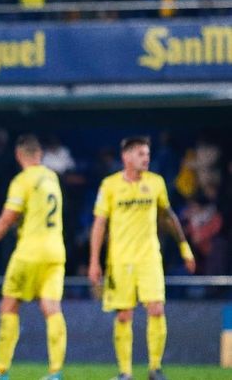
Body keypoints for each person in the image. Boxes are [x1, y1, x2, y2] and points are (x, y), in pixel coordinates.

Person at [88, 136, 196, 380]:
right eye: (140, 154)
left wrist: (184, 247)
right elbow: (99, 224)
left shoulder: (156, 183)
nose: (146, 158)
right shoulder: (109, 185)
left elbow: (168, 217)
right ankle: (125, 372)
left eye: (147, 154)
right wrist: (94, 261)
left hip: (150, 258)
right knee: (124, 314)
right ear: (126, 157)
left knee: (156, 309)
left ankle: (155, 369)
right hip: (120, 261)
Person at [0, 134, 67, 380]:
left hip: (29, 251)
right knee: (51, 308)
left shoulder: (23, 180)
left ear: (19, 155)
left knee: (10, 305)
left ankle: (0, 370)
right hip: (55, 252)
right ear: (39, 155)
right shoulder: (52, 177)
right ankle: (55, 372)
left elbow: (6, 219)